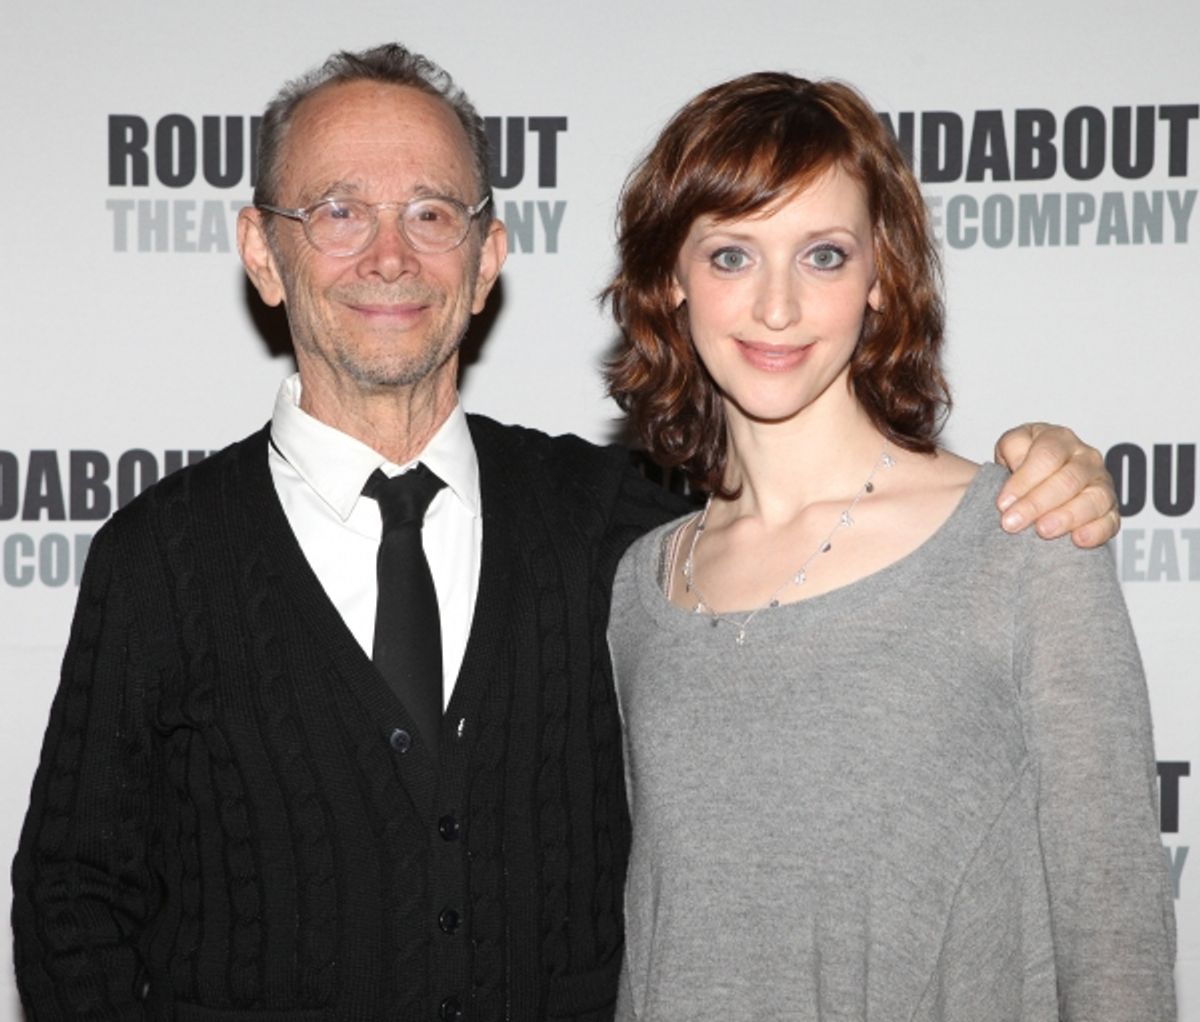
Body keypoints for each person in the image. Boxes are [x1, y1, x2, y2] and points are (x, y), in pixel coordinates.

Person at [12, 44, 1120, 1022]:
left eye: (433, 212)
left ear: (488, 257)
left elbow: (820, 506)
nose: (389, 255)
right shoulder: (160, 556)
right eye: (339, 211)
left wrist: (1041, 459)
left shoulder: (621, 524)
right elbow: (72, 896)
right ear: (264, 252)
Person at [604, 72, 1175, 1021]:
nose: (777, 308)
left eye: (823, 255)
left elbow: (1115, 941)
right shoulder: (643, 588)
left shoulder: (1022, 540)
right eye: (733, 255)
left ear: (880, 277)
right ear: (672, 279)